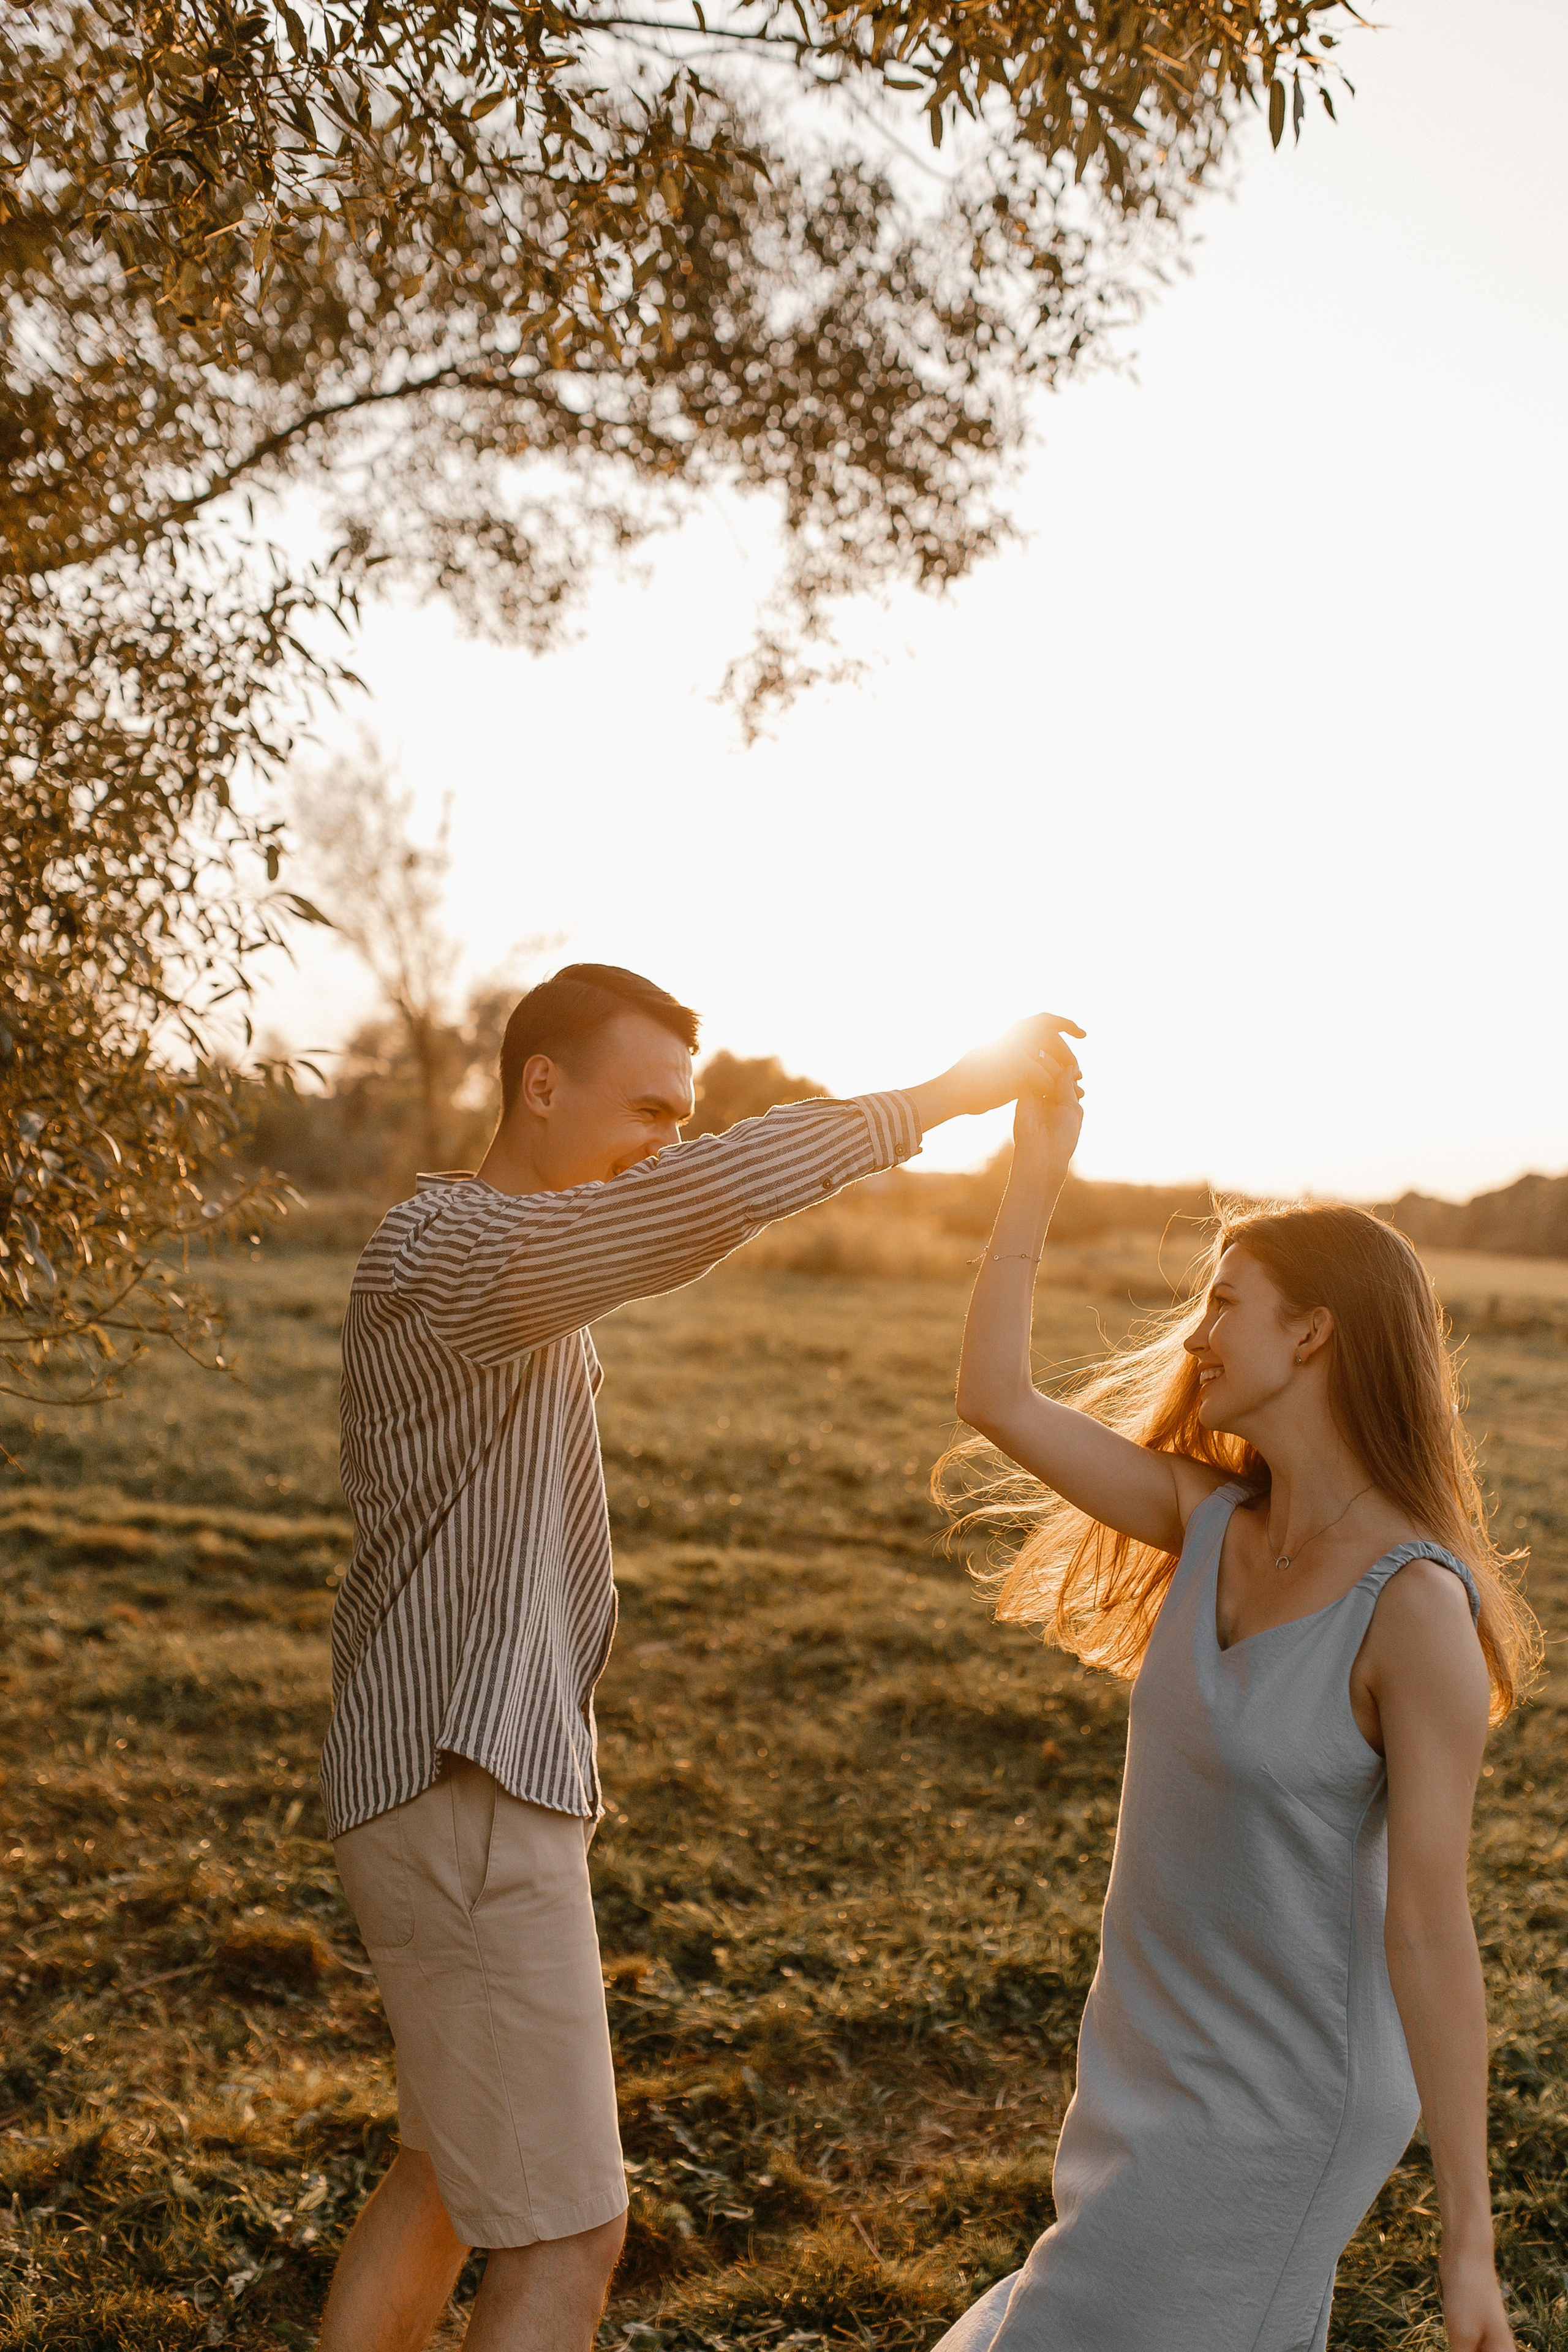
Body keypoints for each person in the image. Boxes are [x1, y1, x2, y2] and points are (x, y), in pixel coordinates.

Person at [317, 962, 1081, 2352]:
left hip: (445, 1785)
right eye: (647, 1108)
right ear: (538, 1084)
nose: (664, 1145)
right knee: (566, 2235)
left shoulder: (500, 1272)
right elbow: (706, 1199)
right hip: (464, 1784)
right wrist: (948, 1096)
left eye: (682, 1115)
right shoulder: (457, 1254)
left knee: (443, 2182)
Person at [935, 1040, 1537, 2352]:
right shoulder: (1204, 1519)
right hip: (1143, 2061)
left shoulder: (1412, 1612)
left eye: (1225, 1303)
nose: (1194, 1335)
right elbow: (991, 1397)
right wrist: (1033, 1179)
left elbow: (1430, 1931)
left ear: (1309, 1333)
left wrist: (1467, 2242)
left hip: (1277, 2099)